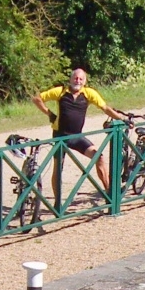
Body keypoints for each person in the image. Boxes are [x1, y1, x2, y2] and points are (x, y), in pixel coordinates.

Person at [32, 68, 127, 206]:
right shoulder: (60, 91)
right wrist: (49, 113)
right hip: (60, 136)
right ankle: (58, 204)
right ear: (70, 79)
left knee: (99, 156)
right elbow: (37, 99)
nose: (78, 81)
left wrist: (122, 119)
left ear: (85, 81)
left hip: (76, 136)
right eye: (75, 78)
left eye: (81, 79)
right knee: (58, 168)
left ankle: (109, 192)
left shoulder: (89, 93)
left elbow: (105, 108)